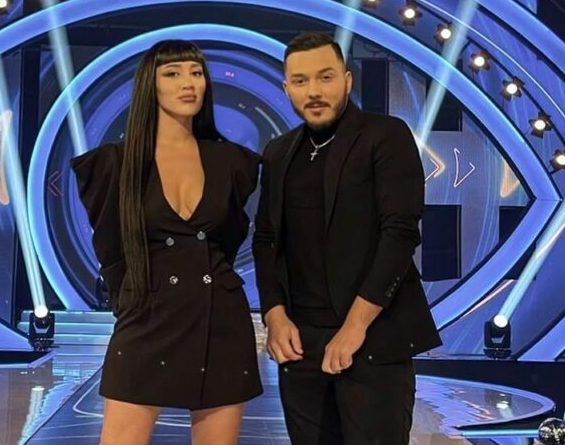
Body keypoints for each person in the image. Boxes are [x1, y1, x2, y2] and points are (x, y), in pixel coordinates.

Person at [252, 32, 442, 445]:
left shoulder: (385, 135)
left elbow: (400, 233)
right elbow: (266, 240)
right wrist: (274, 315)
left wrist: (355, 326)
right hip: (300, 345)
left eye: (325, 77)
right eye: (300, 81)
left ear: (347, 80)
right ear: (286, 88)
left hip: (373, 337)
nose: (314, 91)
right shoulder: (279, 152)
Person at [70, 40, 262, 445]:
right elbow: (111, 250)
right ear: (149, 85)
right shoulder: (113, 164)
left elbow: (228, 241)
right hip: (146, 315)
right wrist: (132, 302)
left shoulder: (233, 162)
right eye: (173, 73)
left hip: (220, 319)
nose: (188, 83)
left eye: (196, 72)